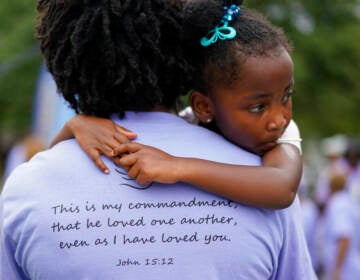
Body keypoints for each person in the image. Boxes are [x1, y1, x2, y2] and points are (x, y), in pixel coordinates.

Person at [1, 0, 316, 279]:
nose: (278, 118)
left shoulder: (26, 190)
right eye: (259, 105)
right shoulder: (256, 178)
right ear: (178, 49)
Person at [51, 3, 303, 209]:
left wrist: (179, 166)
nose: (278, 119)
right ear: (204, 107)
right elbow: (49, 159)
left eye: (286, 96)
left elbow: (282, 187)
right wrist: (76, 126)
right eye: (258, 107)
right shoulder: (188, 120)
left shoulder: (283, 137)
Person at [321, 172, 360, 280]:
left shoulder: (338, 204)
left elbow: (344, 236)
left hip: (345, 271)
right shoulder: (349, 202)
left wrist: (337, 269)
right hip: (351, 266)